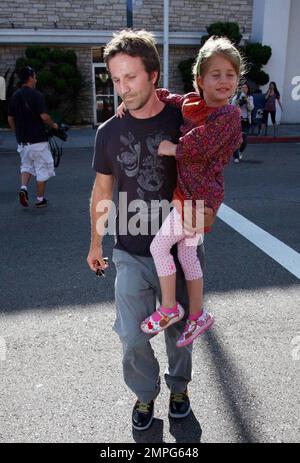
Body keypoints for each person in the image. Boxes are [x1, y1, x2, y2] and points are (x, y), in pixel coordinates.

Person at [87, 29, 216, 432]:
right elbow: (103, 189)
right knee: (131, 336)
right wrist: (95, 241)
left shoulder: (184, 120)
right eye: (116, 79)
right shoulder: (108, 131)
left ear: (154, 75)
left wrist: (207, 212)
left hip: (179, 247)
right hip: (128, 250)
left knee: (180, 328)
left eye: (132, 78)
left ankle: (180, 388)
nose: (123, 88)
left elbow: (213, 158)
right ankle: (145, 394)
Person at [118, 36, 243, 348]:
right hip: (189, 194)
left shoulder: (228, 115)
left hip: (197, 197)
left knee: (160, 247)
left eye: (231, 74)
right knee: (187, 252)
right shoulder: (194, 103)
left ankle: (170, 308)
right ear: (200, 79)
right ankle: (198, 314)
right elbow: (171, 98)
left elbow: (204, 143)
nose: (224, 81)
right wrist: (138, 96)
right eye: (216, 74)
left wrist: (174, 148)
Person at [7, 66, 58, 208]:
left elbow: (10, 118)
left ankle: (23, 188)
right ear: (30, 77)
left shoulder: (15, 96)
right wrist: (53, 125)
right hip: (38, 141)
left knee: (26, 166)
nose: (36, 79)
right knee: (42, 169)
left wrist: (17, 133)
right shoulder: (37, 95)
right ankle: (40, 199)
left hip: (23, 142)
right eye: (35, 76)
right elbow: (44, 116)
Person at [231, 82, 254, 163]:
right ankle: (236, 157)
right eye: (243, 87)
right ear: (240, 89)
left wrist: (246, 100)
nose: (244, 89)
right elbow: (232, 107)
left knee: (244, 140)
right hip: (237, 121)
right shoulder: (236, 97)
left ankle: (240, 151)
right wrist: (238, 101)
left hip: (246, 121)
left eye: (246, 88)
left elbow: (251, 108)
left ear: (248, 89)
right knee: (236, 139)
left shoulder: (250, 97)